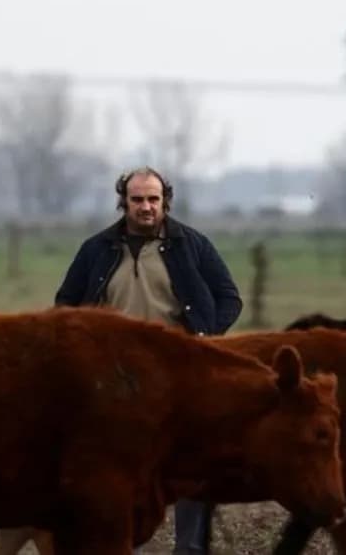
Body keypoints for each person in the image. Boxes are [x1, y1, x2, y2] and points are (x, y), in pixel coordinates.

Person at [54, 165, 243, 554]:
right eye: (137, 199)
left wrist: (202, 339)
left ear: (165, 201)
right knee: (117, 473)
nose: (146, 207)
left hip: (179, 376)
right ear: (123, 202)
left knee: (191, 468)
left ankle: (189, 550)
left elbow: (230, 298)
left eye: (153, 199)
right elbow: (65, 304)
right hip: (114, 379)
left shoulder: (193, 245)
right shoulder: (96, 249)